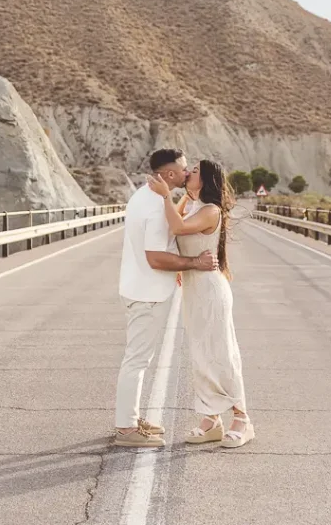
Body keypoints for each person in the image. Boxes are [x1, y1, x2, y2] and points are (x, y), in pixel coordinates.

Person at [114, 149, 218, 448]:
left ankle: (131, 418)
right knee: (137, 360)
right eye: (184, 170)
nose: (188, 174)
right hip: (147, 294)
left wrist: (172, 198)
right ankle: (125, 428)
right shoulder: (156, 209)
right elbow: (156, 258)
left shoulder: (144, 197)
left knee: (138, 358)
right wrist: (194, 263)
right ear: (169, 175)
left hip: (136, 288)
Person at [147, 159, 254, 449]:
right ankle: (210, 420)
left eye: (193, 171)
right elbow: (173, 225)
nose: (187, 173)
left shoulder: (210, 210)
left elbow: (178, 228)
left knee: (221, 353)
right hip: (194, 289)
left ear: (205, 179)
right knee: (201, 354)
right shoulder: (194, 205)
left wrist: (166, 195)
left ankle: (242, 419)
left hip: (210, 289)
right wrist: (180, 194)